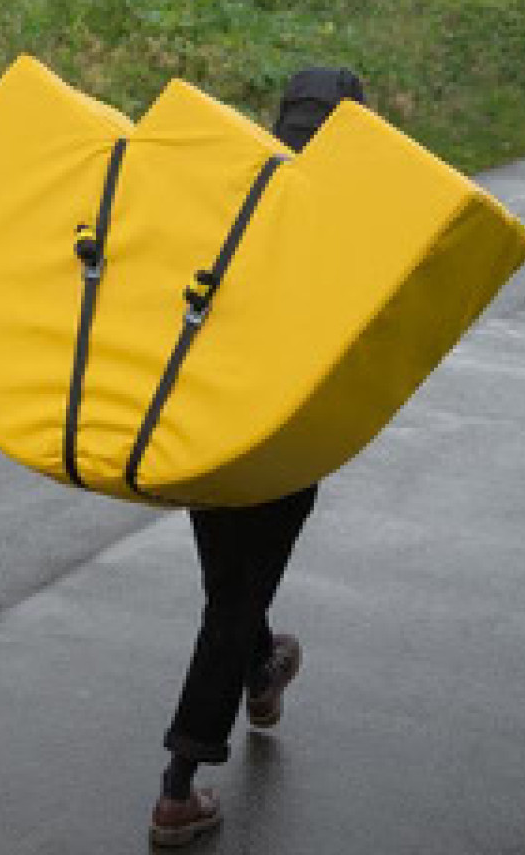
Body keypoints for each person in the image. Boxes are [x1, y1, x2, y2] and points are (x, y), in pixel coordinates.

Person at [149, 66, 367, 847]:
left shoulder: (230, 188)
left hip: (203, 426)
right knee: (233, 603)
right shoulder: (348, 213)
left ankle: (262, 669)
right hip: (283, 439)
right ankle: (177, 791)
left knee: (232, 585)